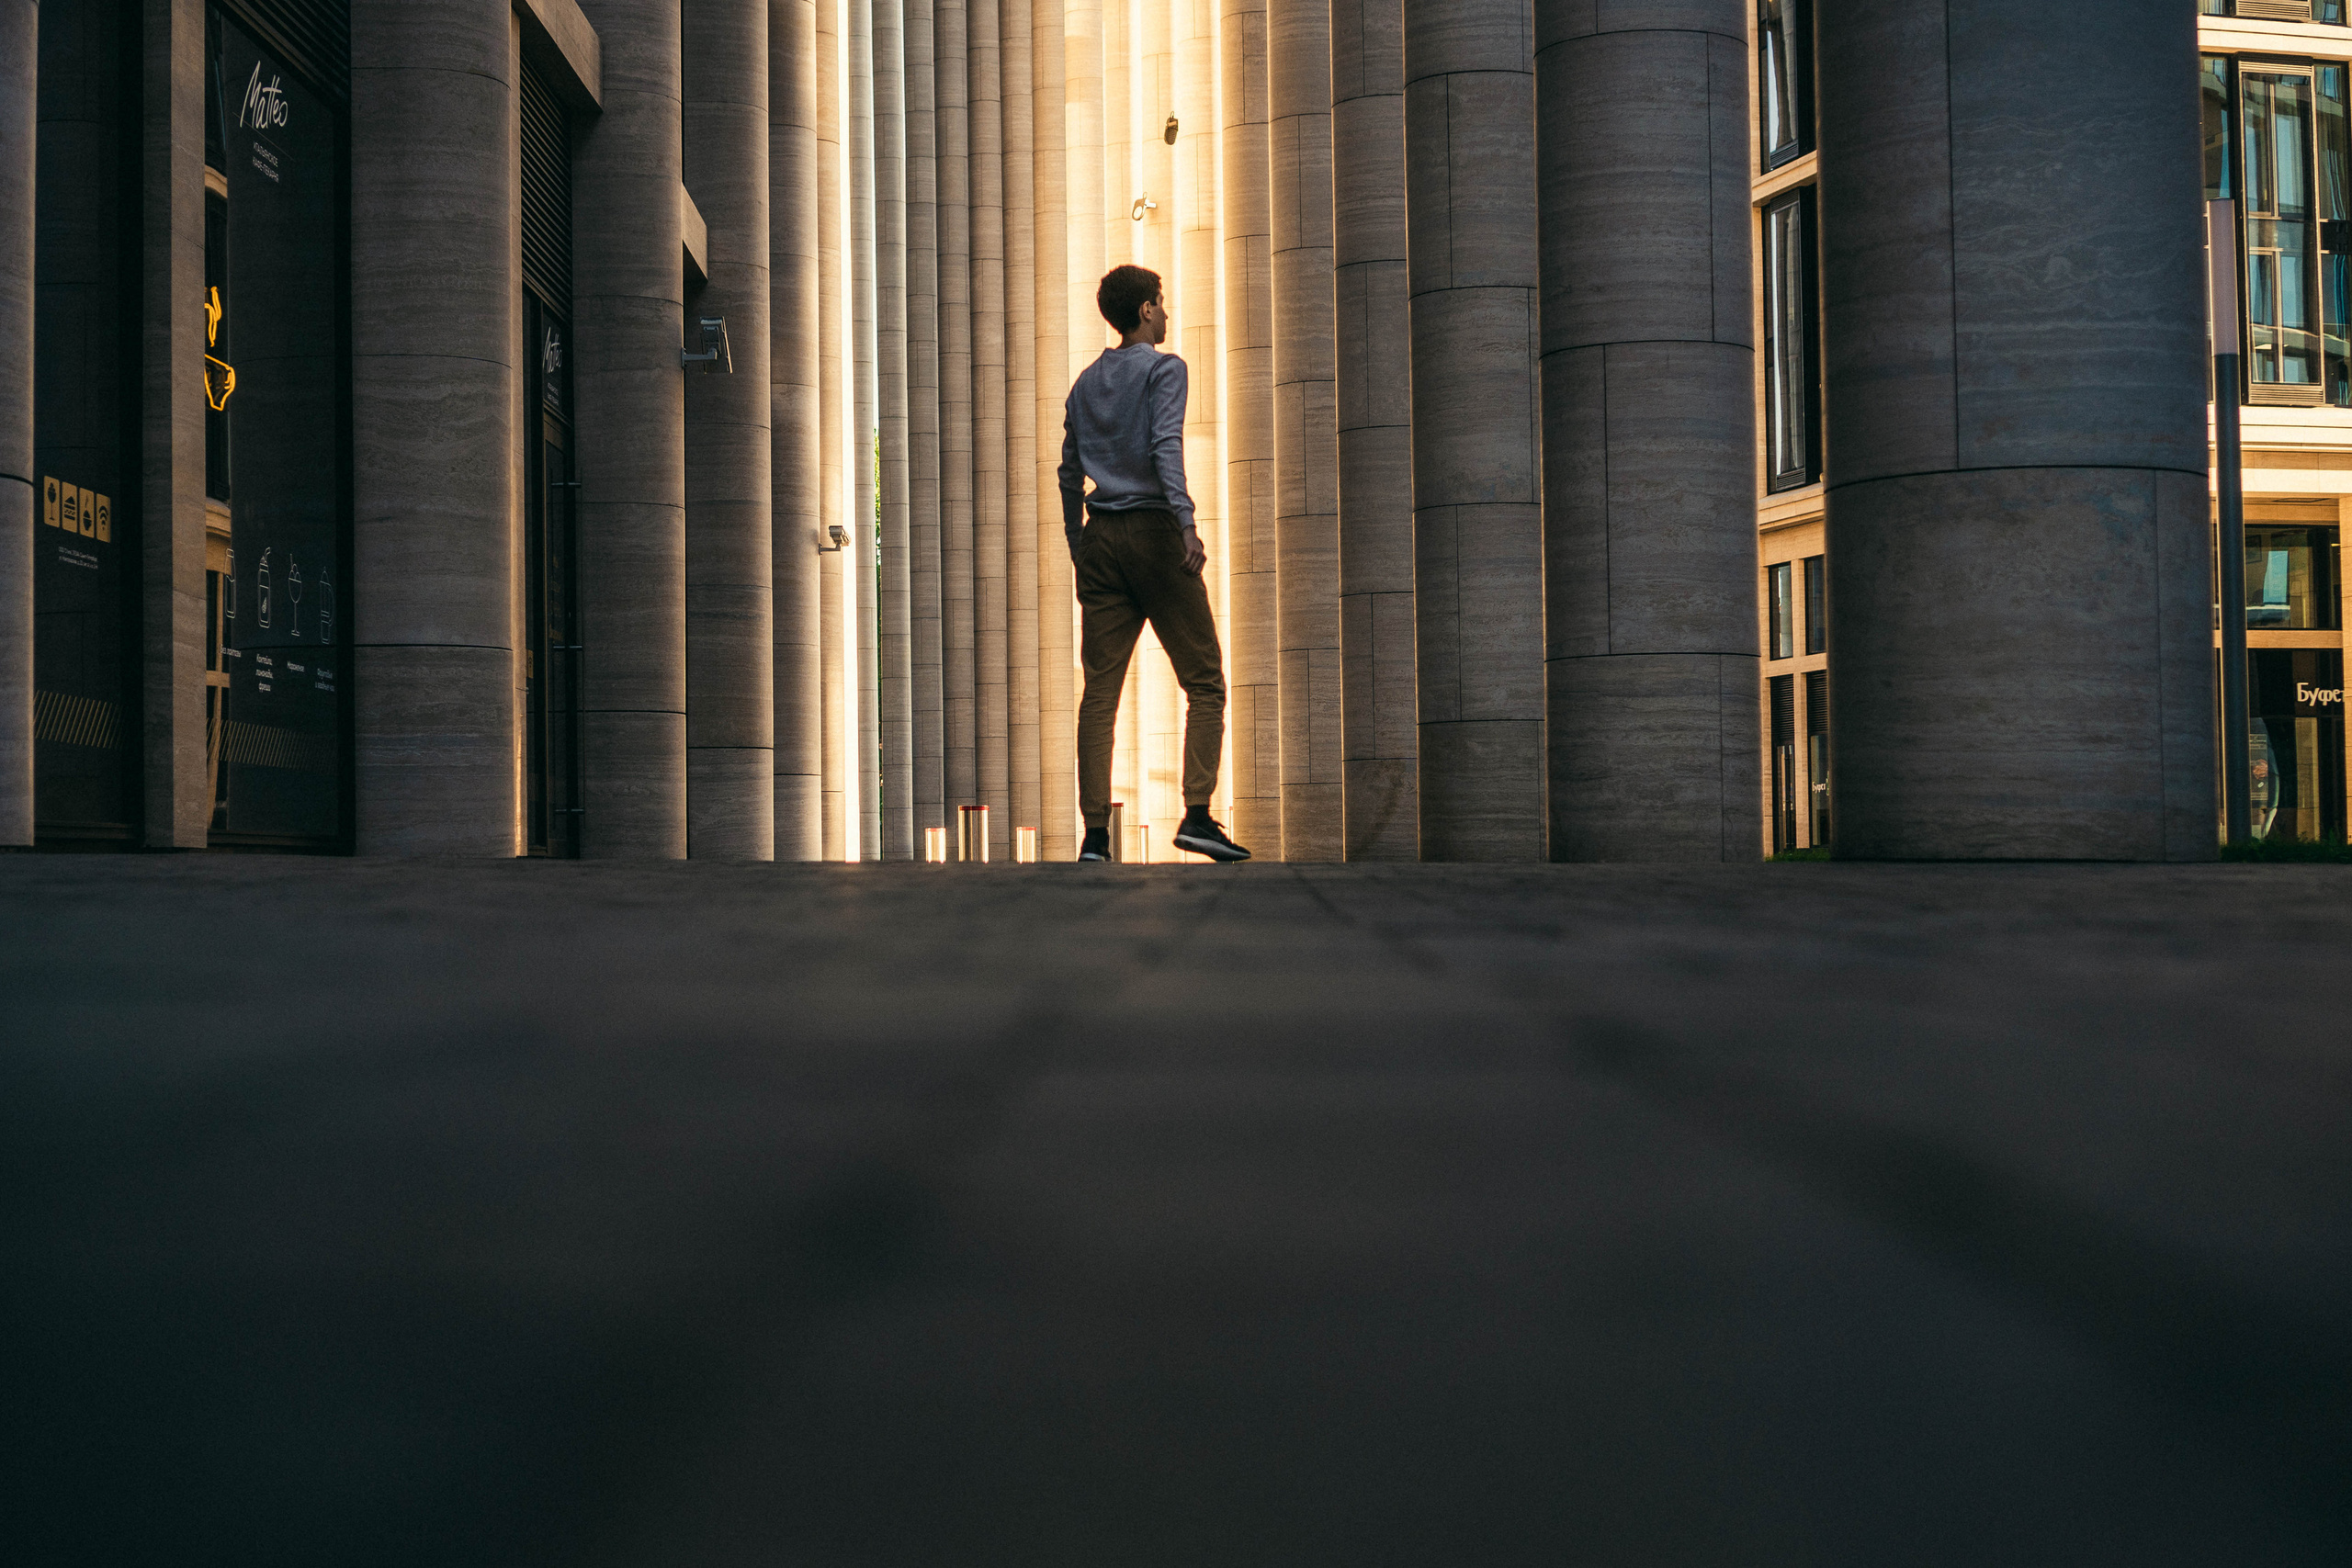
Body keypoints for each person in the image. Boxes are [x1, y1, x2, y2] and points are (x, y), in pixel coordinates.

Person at [1057, 265, 1250, 863]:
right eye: (1161, 303)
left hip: (1101, 539)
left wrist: (1077, 544)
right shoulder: (1167, 369)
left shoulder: (1085, 384)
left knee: (1099, 696)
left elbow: (1068, 474)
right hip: (1154, 532)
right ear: (1144, 310)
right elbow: (1166, 443)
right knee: (1206, 680)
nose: (1165, 314)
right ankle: (1196, 814)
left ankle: (1094, 837)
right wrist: (1187, 521)